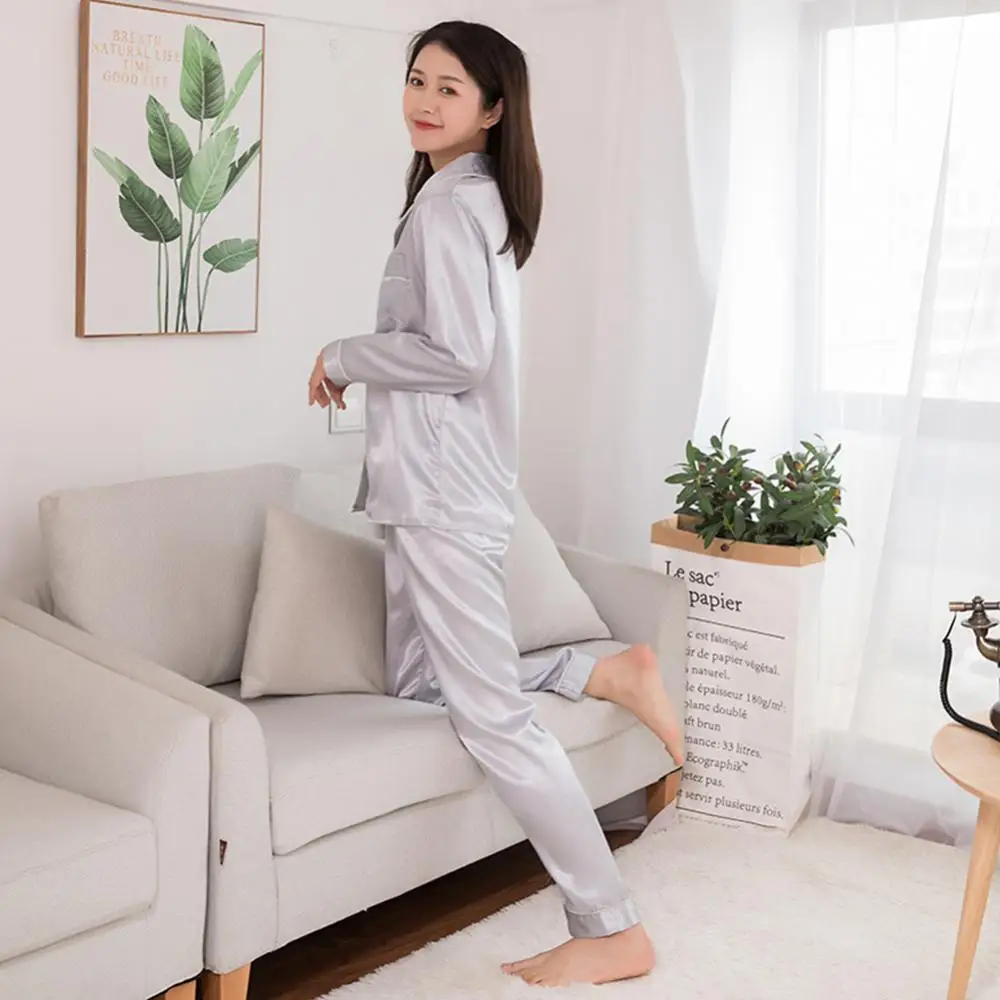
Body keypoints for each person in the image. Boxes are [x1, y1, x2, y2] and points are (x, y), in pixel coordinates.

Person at [308, 20, 684, 988]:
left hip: (441, 491)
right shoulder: (462, 197)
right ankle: (598, 672)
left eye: (449, 87)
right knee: (417, 682)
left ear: (493, 108)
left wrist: (342, 356)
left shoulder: (449, 207)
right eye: (416, 80)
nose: (424, 101)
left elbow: (458, 356)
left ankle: (610, 925)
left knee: (491, 718)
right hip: (432, 485)